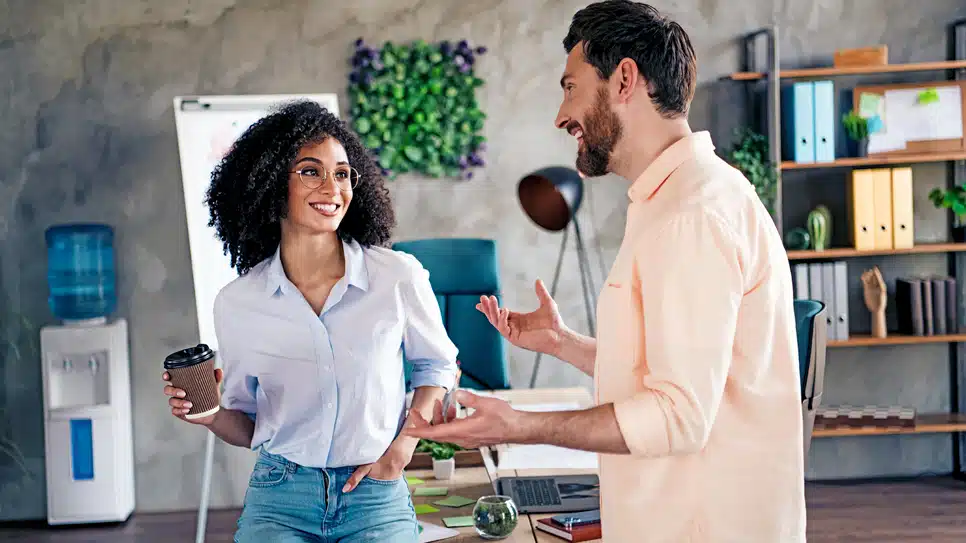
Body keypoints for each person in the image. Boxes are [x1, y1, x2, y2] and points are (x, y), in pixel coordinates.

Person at [403, 1, 807, 541]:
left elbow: (678, 415)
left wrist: (517, 426)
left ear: (624, 79)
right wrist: (564, 343)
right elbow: (681, 370)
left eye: (570, 87)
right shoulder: (676, 200)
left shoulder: (691, 216)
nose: (561, 114)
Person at [162, 100, 458, 542]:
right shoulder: (239, 303)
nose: (332, 187)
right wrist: (207, 415)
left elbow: (437, 368)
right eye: (311, 171)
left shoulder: (396, 277)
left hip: (374, 493)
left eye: (342, 173)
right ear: (270, 183)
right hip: (280, 498)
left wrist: (401, 451)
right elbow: (248, 424)